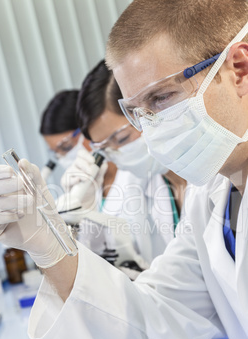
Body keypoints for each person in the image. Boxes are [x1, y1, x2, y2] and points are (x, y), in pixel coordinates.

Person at [0, 0, 248, 339]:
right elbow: (157, 320)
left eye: (161, 98)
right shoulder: (211, 196)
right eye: (138, 112)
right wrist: (46, 244)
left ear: (238, 67)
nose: (152, 132)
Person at [74, 59, 186, 276]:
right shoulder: (142, 182)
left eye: (122, 138)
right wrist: (84, 214)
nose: (117, 154)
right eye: (106, 148)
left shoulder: (211, 174)